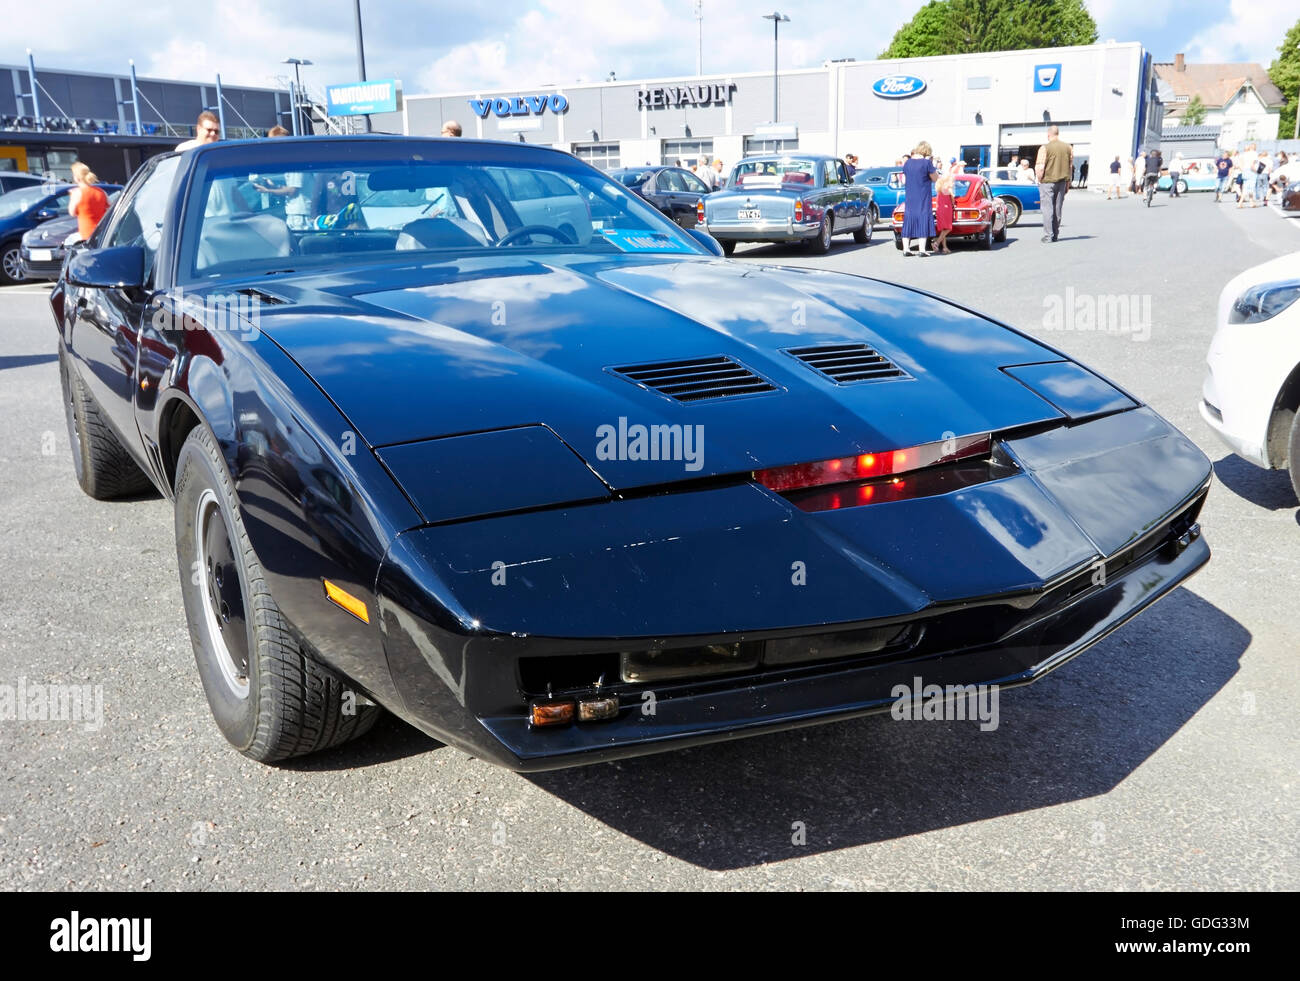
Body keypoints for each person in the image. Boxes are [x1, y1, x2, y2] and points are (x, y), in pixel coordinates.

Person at [1035, 125, 1073, 242]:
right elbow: (1070, 167)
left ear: (1048, 135)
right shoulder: (1068, 147)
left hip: (1047, 182)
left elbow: (1040, 167)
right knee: (1057, 208)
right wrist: (1068, 182)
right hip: (1062, 182)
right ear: (1058, 133)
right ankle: (1055, 234)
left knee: (1047, 208)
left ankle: (1048, 235)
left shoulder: (1044, 148)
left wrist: (1039, 179)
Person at [900, 140, 938, 256]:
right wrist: (934, 165)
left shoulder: (907, 163)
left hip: (910, 196)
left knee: (908, 219)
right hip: (923, 196)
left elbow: (904, 180)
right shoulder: (926, 163)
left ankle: (906, 249)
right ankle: (922, 250)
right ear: (927, 151)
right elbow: (935, 178)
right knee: (923, 218)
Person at [67, 162, 109, 242]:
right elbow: (109, 207)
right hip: (103, 231)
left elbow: (72, 213)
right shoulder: (101, 192)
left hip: (87, 233)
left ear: (77, 177)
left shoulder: (77, 193)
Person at [934, 174, 955, 254]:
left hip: (939, 209)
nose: (953, 183)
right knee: (948, 228)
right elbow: (953, 200)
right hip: (946, 209)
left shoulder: (939, 188)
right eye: (952, 181)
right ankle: (936, 243)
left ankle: (945, 248)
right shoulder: (949, 189)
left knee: (944, 229)